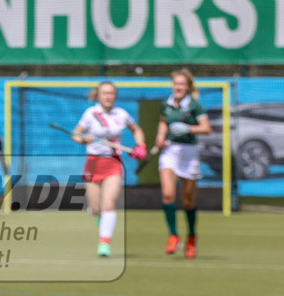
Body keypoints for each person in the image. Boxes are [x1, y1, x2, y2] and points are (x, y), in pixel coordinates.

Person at [72, 81, 147, 257]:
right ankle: (101, 221)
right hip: (92, 164)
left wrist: (140, 145)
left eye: (111, 93)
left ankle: (104, 244)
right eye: (105, 93)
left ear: (115, 96)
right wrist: (84, 139)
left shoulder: (121, 114)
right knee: (95, 208)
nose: (108, 96)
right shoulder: (90, 114)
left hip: (113, 164)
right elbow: (76, 134)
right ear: (98, 95)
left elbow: (136, 129)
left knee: (108, 204)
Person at [154, 68, 212, 259]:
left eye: (182, 84)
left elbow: (206, 128)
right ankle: (173, 235)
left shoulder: (194, 105)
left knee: (188, 201)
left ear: (188, 87)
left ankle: (191, 237)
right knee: (168, 194)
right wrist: (160, 136)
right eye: (176, 83)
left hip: (189, 154)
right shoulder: (166, 104)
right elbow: (163, 121)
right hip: (170, 152)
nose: (178, 87)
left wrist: (188, 128)